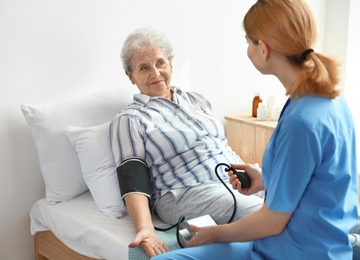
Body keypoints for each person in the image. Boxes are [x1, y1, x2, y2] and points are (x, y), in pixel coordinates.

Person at [152, 0, 359, 259]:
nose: (247, 49)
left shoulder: (301, 122)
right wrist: (264, 179)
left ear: (263, 49)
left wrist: (216, 233)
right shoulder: (327, 98)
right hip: (310, 242)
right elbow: (314, 179)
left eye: (249, 41)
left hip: (292, 251)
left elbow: (272, 221)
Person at [109, 27, 263, 257]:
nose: (155, 73)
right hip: (187, 191)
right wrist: (146, 228)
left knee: (302, 197)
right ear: (130, 76)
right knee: (266, 215)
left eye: (160, 63)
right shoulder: (131, 119)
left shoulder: (196, 99)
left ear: (171, 64)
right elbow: (132, 177)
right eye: (143, 67)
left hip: (238, 179)